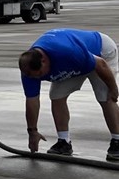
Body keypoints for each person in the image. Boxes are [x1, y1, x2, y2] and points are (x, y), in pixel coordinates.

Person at [19, 28, 119, 161]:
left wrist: (113, 88)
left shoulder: (67, 52)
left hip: (101, 52)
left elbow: (101, 64)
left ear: (43, 61)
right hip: (74, 63)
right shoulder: (29, 70)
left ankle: (117, 141)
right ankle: (64, 142)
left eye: (40, 74)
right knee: (56, 96)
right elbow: (32, 101)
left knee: (105, 97)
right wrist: (32, 131)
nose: (38, 78)